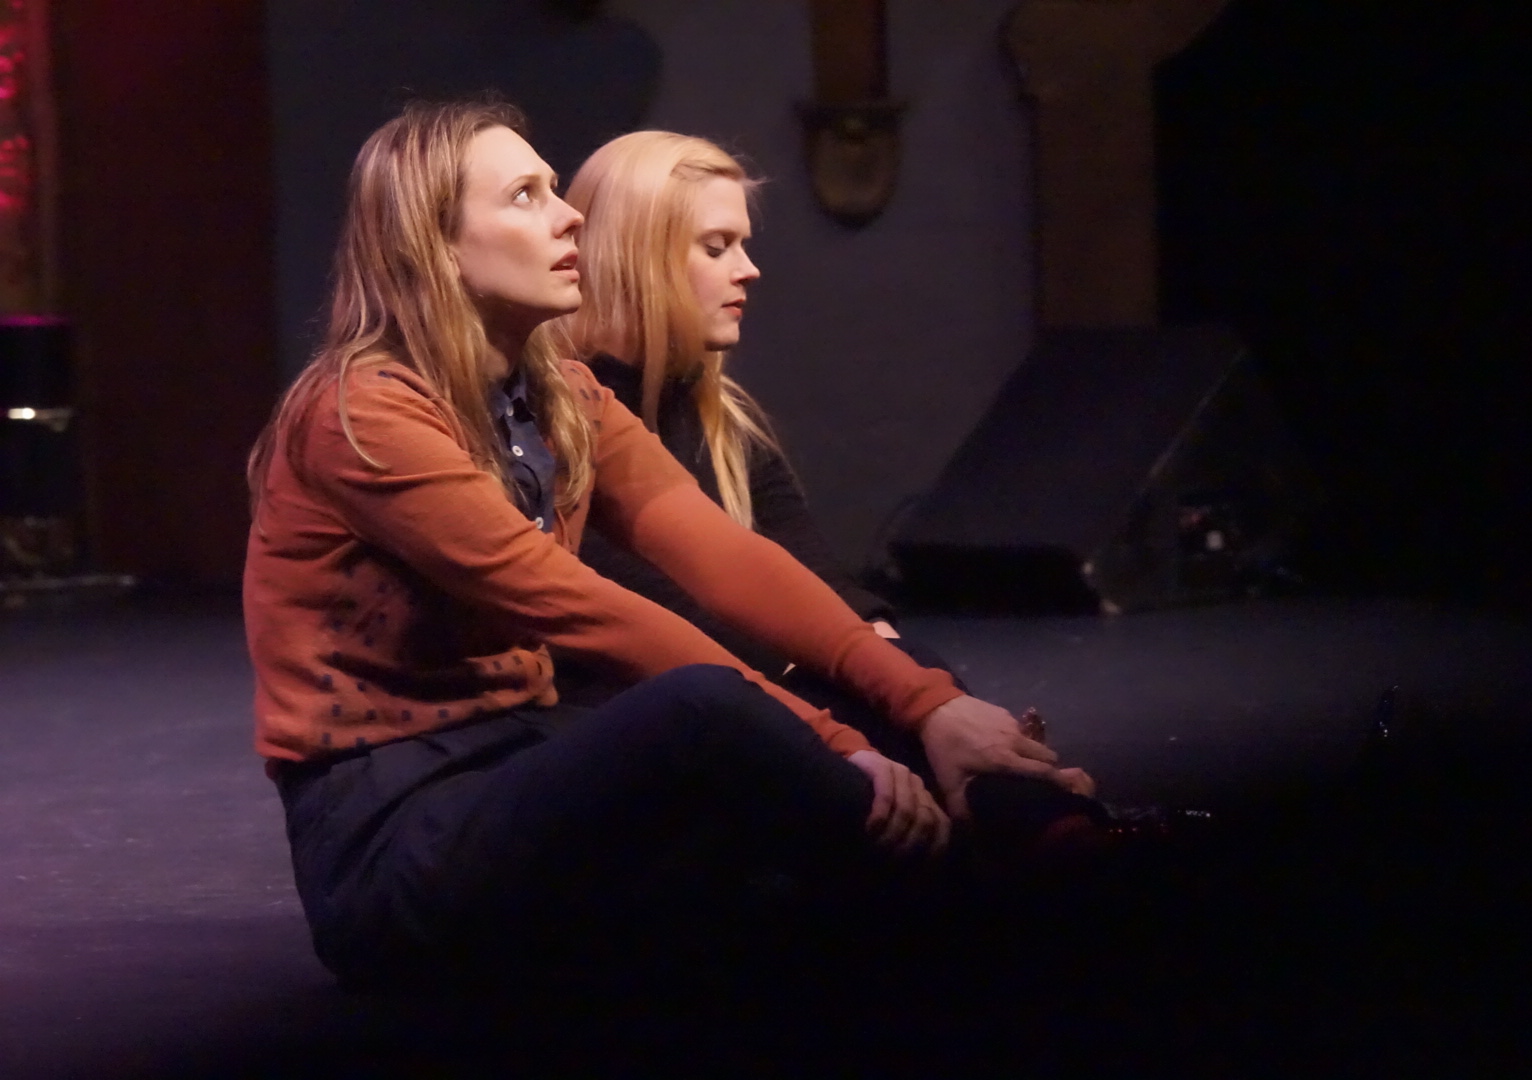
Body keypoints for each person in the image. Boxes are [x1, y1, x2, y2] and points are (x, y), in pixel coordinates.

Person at [242, 100, 1095, 988]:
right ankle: (991, 897)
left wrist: (925, 705)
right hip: (402, 831)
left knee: (867, 678)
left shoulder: (564, 395)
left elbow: (725, 555)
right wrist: (836, 746)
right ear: (437, 247)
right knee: (706, 710)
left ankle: (1045, 831)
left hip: (533, 758)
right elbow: (575, 606)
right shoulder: (362, 413)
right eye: (527, 196)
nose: (568, 212)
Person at [552, 130, 1104, 850]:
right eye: (716, 248)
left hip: (759, 697)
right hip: (643, 719)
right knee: (844, 722)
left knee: (912, 670)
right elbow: (687, 631)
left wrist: (952, 715)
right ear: (637, 257)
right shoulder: (555, 425)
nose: (748, 271)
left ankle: (1019, 800)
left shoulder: (727, 425)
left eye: (742, 245)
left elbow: (828, 594)